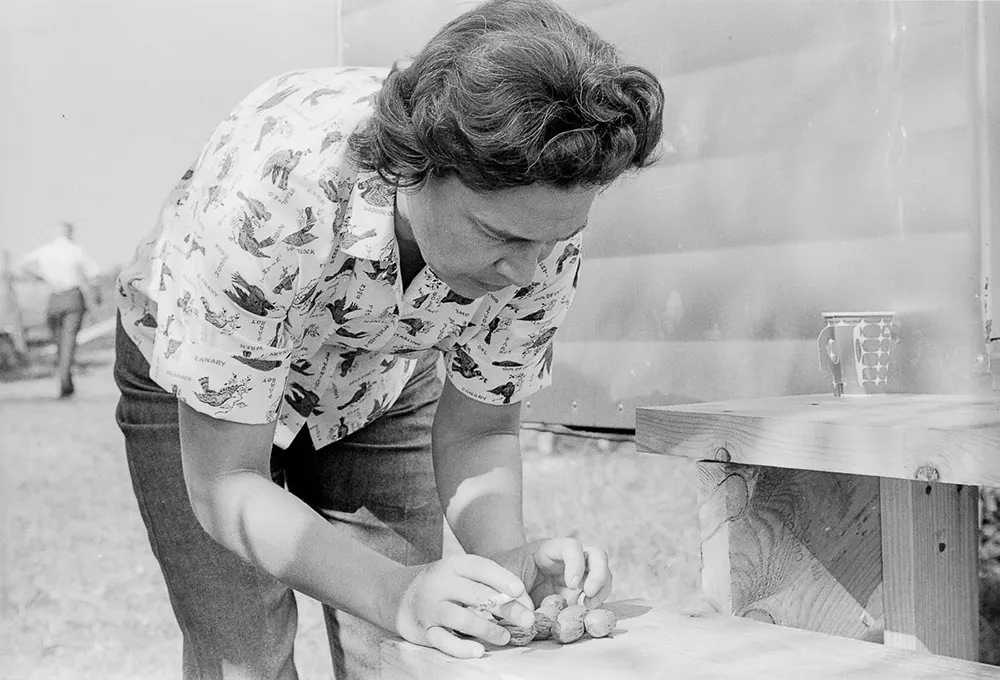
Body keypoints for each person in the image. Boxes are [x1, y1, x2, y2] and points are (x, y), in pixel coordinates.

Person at [113, 0, 664, 677]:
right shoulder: (271, 190)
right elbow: (227, 484)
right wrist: (392, 592)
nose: (526, 273)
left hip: (376, 383)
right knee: (246, 656)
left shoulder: (540, 236)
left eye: (552, 241)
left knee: (408, 656)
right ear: (413, 169)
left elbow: (480, 430)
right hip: (196, 379)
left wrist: (503, 561)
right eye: (502, 237)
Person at [19, 221, 102, 397]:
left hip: (54, 298)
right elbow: (94, 273)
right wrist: (96, 296)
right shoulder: (75, 250)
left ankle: (64, 378)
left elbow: (23, 264)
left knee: (58, 341)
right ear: (70, 232)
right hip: (72, 297)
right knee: (68, 341)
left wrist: (44, 277)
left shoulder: (46, 250)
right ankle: (65, 378)